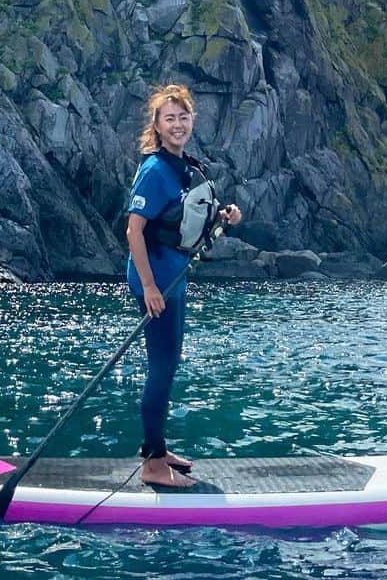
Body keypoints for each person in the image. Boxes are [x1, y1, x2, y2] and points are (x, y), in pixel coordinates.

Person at [125, 83, 242, 488]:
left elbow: (184, 222)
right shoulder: (156, 170)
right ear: (156, 125)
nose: (177, 124)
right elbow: (134, 231)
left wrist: (224, 216)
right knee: (160, 368)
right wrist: (149, 286)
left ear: (192, 120)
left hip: (174, 279)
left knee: (168, 365)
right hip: (155, 283)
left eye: (183, 117)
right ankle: (153, 466)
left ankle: (156, 449)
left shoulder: (185, 167)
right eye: (169, 118)